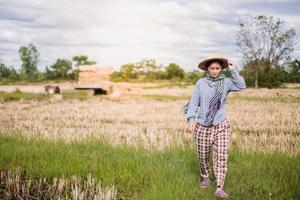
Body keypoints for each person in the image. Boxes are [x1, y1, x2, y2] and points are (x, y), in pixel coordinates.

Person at [185, 54, 246, 198]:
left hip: (221, 124)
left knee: (221, 156)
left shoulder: (226, 82)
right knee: (203, 155)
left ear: (221, 69)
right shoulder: (201, 83)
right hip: (203, 125)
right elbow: (194, 102)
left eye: (217, 68)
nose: (214, 70)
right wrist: (191, 119)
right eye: (212, 68)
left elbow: (242, 85)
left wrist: (233, 70)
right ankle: (205, 177)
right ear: (207, 69)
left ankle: (219, 187)